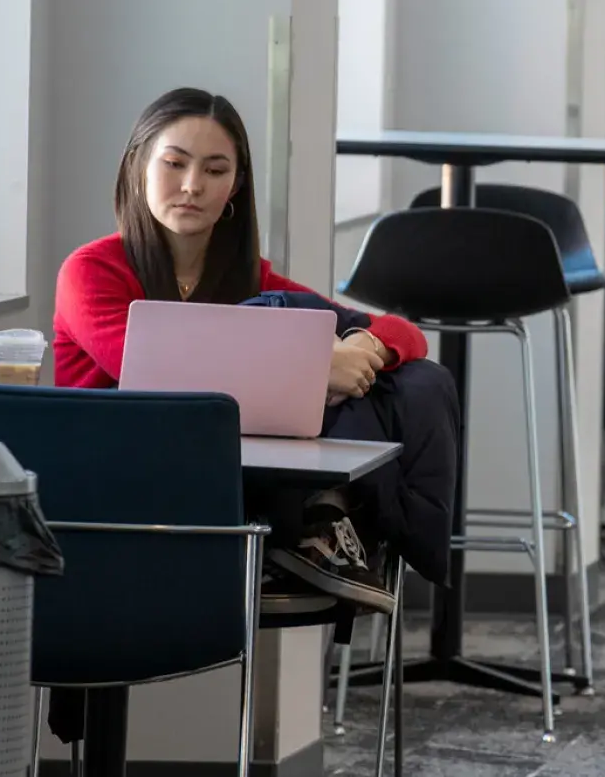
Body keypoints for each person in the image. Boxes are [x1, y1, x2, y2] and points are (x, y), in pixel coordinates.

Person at [53, 87, 459, 615]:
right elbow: (153, 370)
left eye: (216, 170)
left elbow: (405, 333)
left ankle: (319, 529)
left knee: (414, 378)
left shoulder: (250, 278)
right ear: (137, 167)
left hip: (229, 480)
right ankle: (312, 529)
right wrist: (317, 366)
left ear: (236, 187)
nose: (192, 186)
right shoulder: (91, 271)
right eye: (174, 164)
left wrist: (366, 346)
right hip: (118, 487)